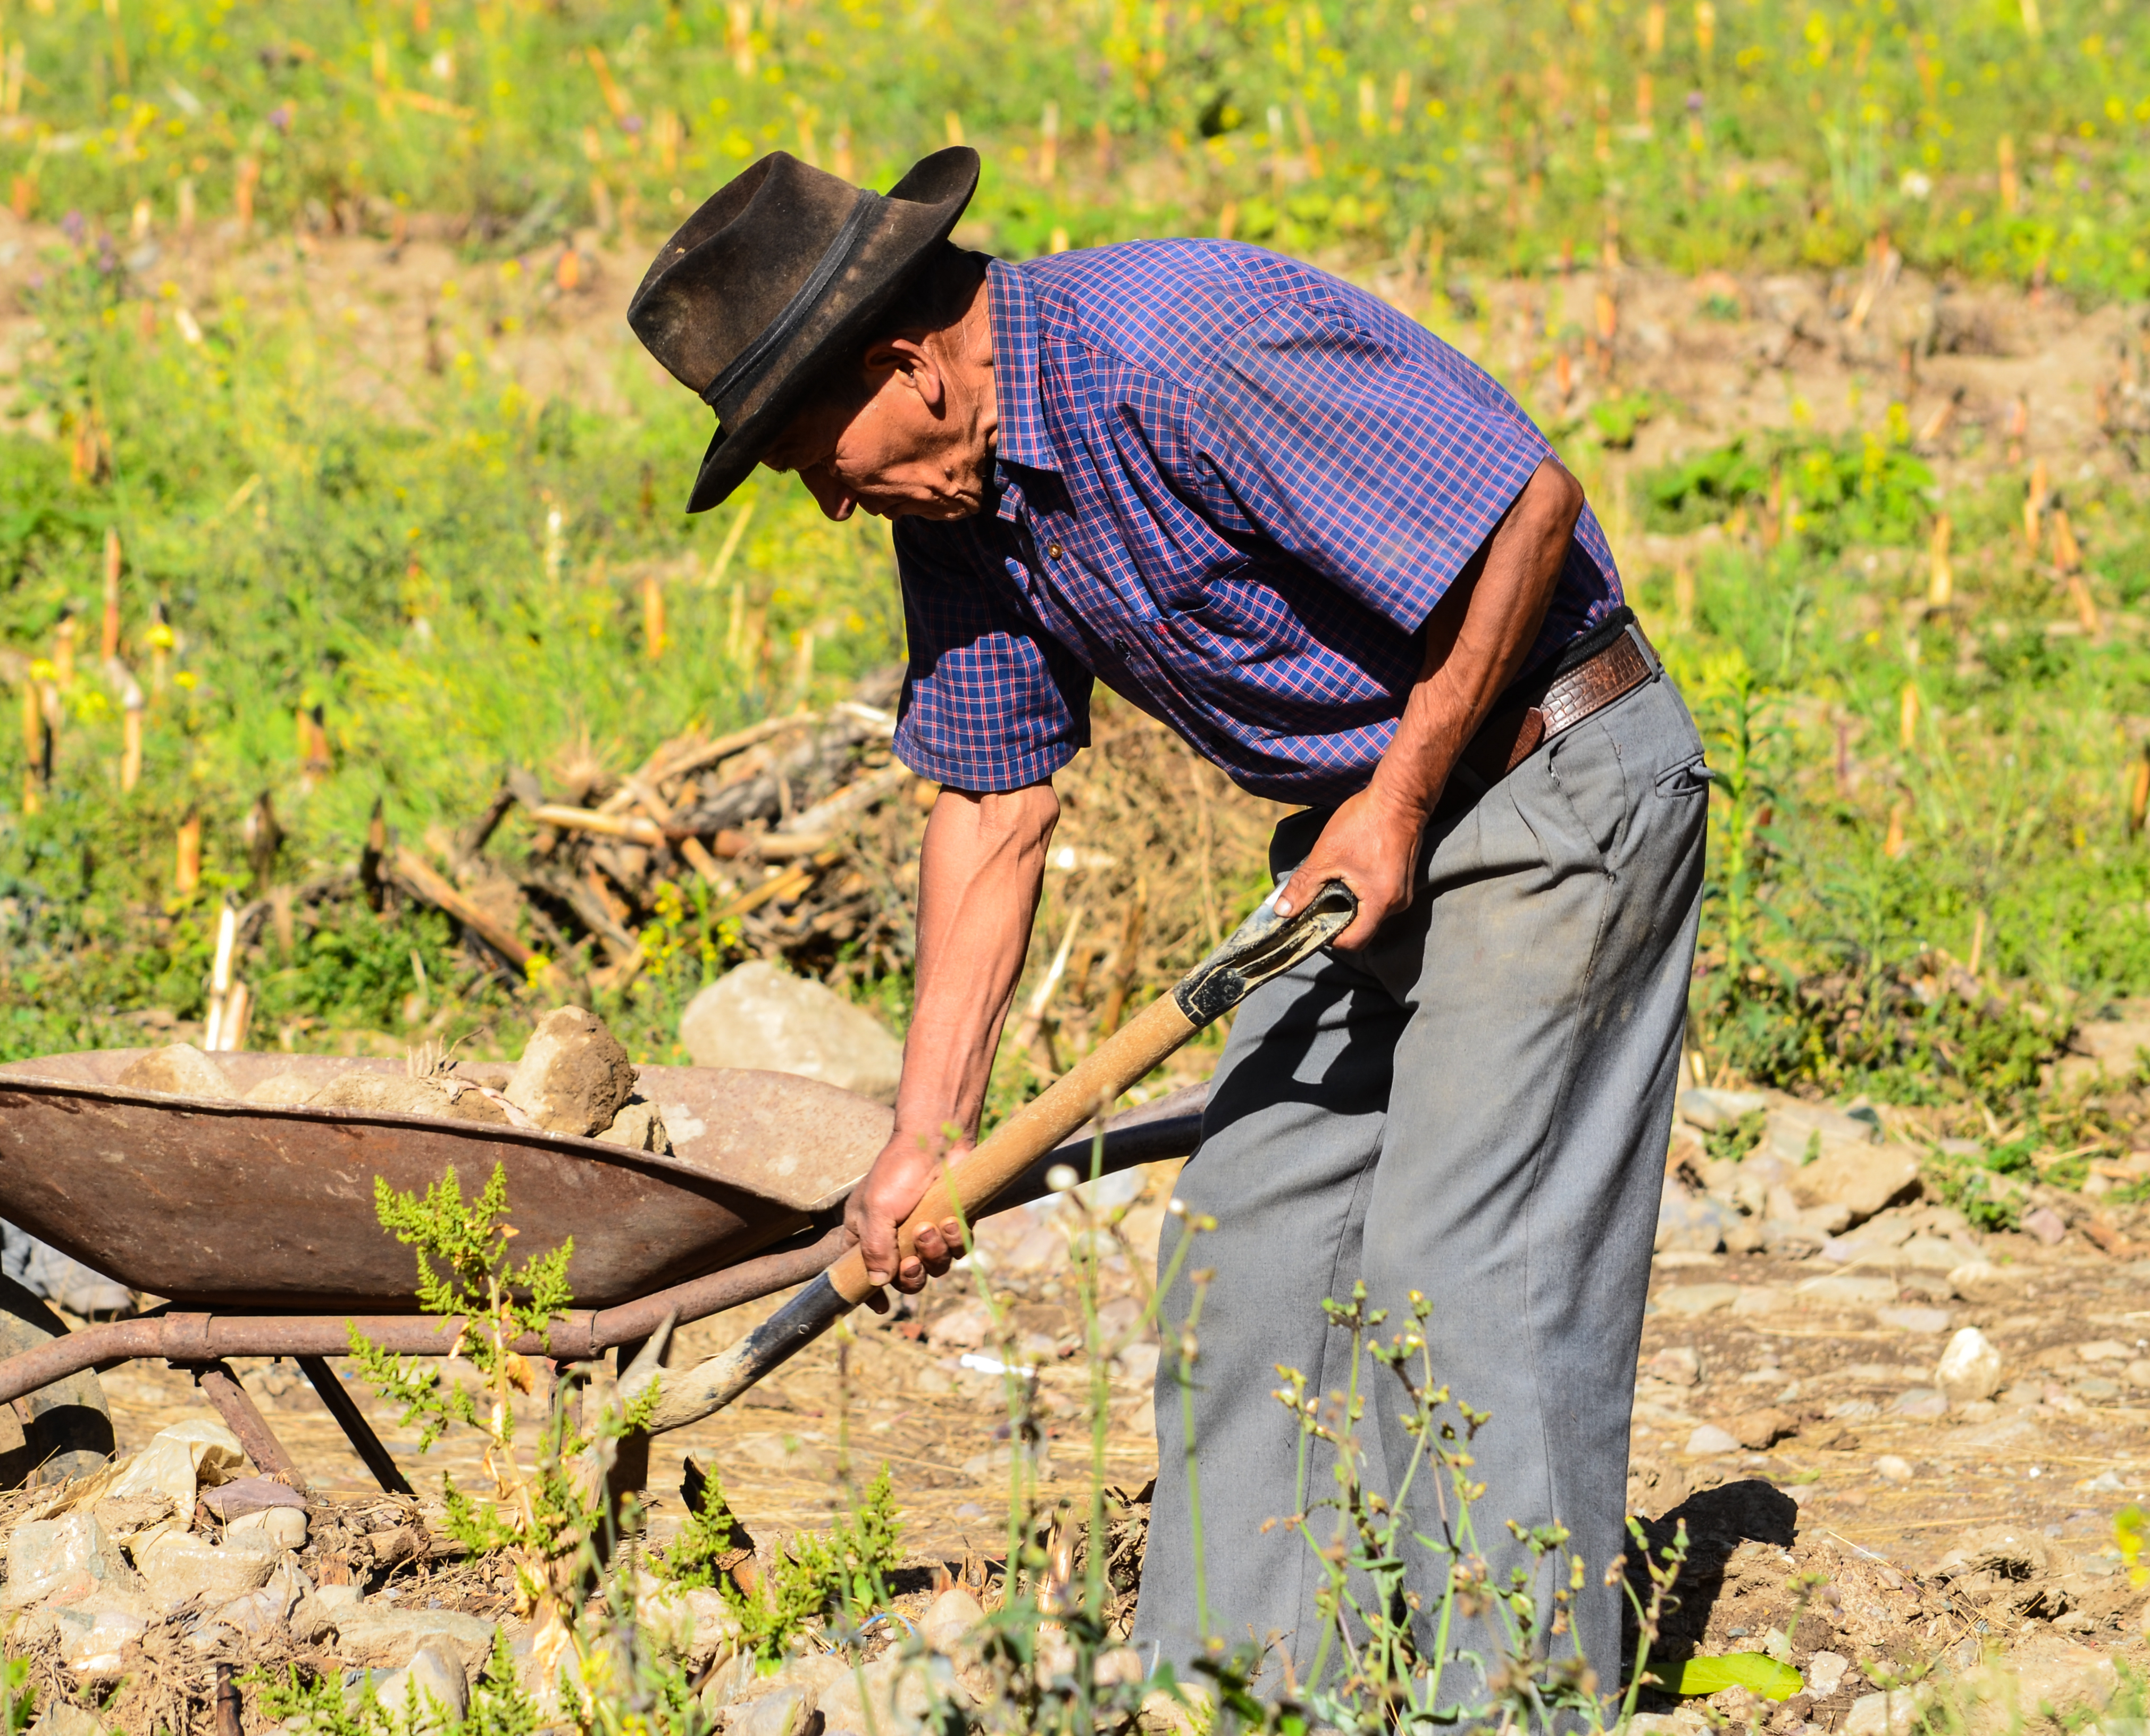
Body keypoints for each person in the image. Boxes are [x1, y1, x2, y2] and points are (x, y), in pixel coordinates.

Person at [626, 146, 1706, 1694]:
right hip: (1354, 844)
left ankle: (1507, 1709)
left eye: (816, 455)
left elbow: (1529, 509)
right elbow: (994, 804)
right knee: (1241, 1249)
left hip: (1551, 782)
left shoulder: (1179, 346)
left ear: (906, 365)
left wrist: (1397, 800)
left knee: (1458, 1268)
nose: (824, 500)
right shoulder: (955, 503)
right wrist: (925, 1132)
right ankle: (1241, 1699)